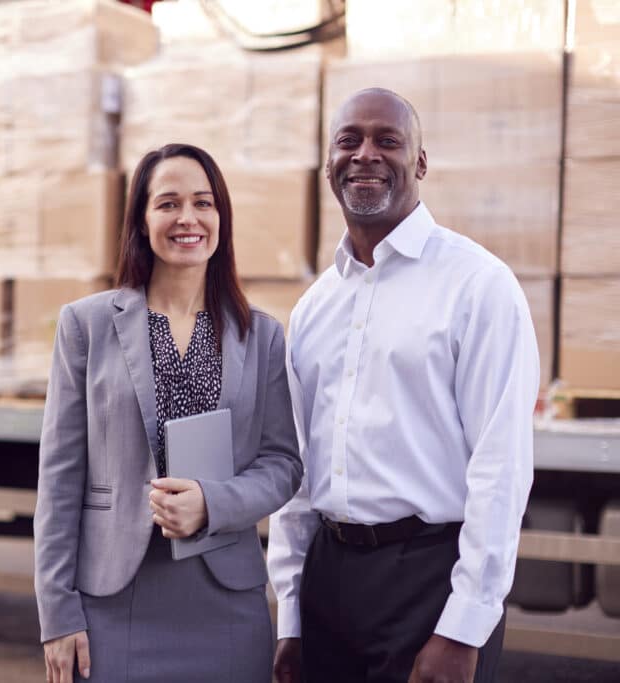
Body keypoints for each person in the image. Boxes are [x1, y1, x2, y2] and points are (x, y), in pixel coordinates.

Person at [267, 88, 540, 683]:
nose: (365, 154)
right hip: (328, 583)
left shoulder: (478, 286)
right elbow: (299, 477)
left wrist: (463, 628)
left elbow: (501, 469)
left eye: (387, 141)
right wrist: (291, 618)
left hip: (430, 582)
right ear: (328, 162)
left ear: (420, 163)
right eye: (349, 140)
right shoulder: (314, 307)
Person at [34, 143, 302, 683]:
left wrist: (214, 502)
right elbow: (60, 478)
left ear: (221, 217)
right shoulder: (86, 326)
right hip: (114, 599)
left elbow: (283, 463)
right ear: (141, 219)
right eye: (168, 203)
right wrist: (56, 613)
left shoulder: (263, 335)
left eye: (203, 203)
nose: (188, 218)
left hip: (225, 599)